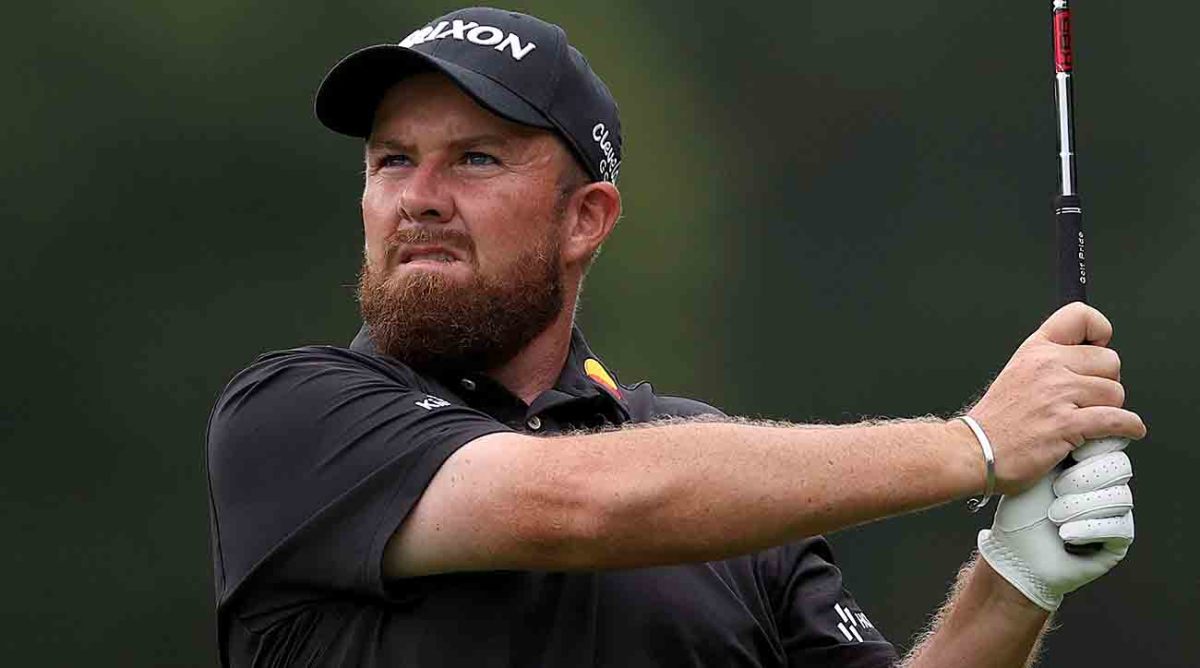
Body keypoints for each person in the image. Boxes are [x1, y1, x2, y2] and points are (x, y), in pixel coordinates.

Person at [205, 7, 1144, 667]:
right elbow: (570, 507)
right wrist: (974, 446)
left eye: (476, 158)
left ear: (586, 219)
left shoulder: (732, 502)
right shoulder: (295, 417)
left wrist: (1015, 581)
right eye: (392, 162)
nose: (417, 198)